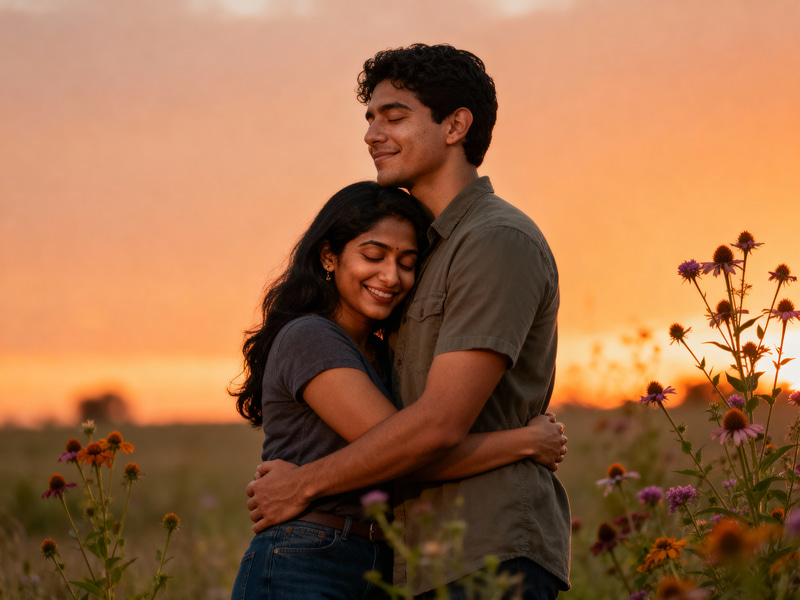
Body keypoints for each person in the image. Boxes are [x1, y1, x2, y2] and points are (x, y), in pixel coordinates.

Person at [246, 44, 571, 599]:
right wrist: (523, 440)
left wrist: (304, 483)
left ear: (455, 126)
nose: (372, 134)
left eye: (394, 117)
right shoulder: (430, 253)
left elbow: (437, 426)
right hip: (422, 558)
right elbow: (395, 430)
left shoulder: (493, 240)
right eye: (370, 119)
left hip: (487, 547)